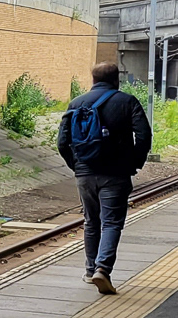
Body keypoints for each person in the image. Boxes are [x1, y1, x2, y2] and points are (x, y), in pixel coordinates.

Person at [57, 61, 152, 294]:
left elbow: (62, 142)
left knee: (91, 221)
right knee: (111, 222)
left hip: (85, 174)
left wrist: (77, 166)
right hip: (116, 174)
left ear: (93, 79)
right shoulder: (127, 102)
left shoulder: (76, 103)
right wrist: (134, 162)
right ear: (116, 79)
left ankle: (90, 271)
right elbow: (144, 135)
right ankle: (103, 269)